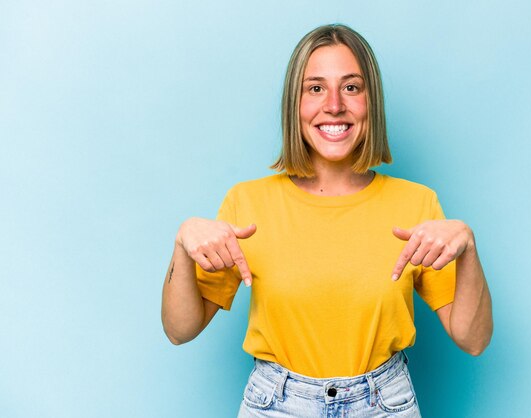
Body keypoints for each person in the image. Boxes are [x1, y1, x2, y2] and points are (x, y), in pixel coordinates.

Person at [161, 24, 493, 417]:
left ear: (372, 101)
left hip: (383, 403)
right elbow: (180, 330)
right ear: (294, 104)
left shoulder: (416, 203)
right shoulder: (247, 202)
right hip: (276, 405)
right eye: (315, 88)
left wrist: (468, 248)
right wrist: (183, 244)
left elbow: (473, 340)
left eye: (351, 87)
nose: (334, 105)